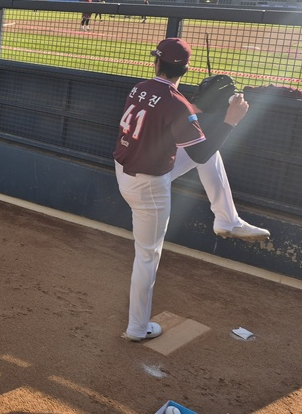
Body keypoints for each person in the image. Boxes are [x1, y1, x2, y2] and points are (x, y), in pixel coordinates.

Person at [113, 38, 268, 342]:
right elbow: (198, 152)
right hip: (149, 187)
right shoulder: (179, 105)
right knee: (147, 256)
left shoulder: (139, 88)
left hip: (125, 171)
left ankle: (227, 218)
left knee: (212, 151)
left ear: (156, 63)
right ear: (185, 68)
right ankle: (136, 327)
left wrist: (195, 108)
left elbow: (164, 116)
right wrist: (231, 121)